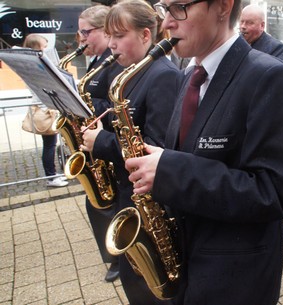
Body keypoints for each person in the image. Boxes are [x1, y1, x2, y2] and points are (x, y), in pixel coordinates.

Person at [122, 0, 283, 303]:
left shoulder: (273, 77)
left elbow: (274, 194)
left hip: (234, 276)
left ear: (222, 7)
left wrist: (170, 170)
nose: (166, 23)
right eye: (164, 9)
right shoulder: (188, 76)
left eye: (179, 7)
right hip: (187, 261)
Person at [80, 0, 179, 303]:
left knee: (145, 287)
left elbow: (156, 145)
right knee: (132, 279)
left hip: (149, 200)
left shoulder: (163, 75)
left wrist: (102, 143)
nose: (111, 44)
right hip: (129, 190)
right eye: (108, 35)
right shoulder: (126, 73)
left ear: (146, 36)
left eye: (119, 35)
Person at [77, 4, 124, 283]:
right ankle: (114, 256)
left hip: (107, 144)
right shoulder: (97, 60)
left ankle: (118, 257)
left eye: (86, 32)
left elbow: (113, 105)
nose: (81, 38)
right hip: (99, 145)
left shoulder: (113, 60)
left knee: (110, 206)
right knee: (96, 205)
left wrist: (86, 103)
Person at [23, 34, 69, 188]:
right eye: (43, 46)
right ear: (35, 47)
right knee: (49, 145)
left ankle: (55, 174)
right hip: (45, 110)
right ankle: (51, 176)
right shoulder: (34, 67)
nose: (45, 50)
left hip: (48, 108)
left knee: (51, 144)